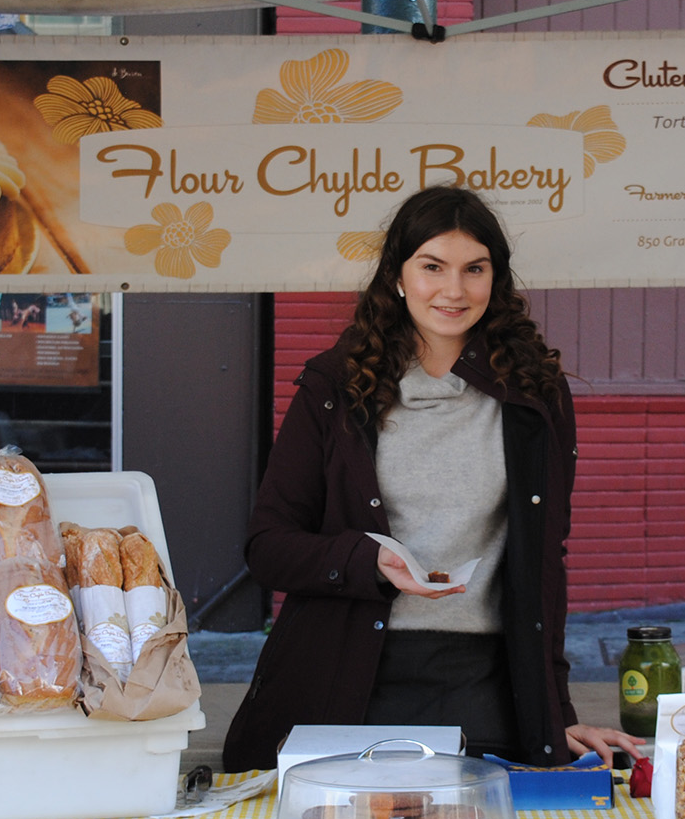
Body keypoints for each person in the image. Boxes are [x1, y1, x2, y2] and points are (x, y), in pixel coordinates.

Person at [222, 185, 642, 772]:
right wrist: (368, 561)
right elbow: (268, 548)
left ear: (496, 279)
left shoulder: (534, 394)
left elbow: (546, 562)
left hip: (486, 690)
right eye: (433, 267)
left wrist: (556, 711)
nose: (454, 290)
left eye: (475, 269)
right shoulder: (334, 388)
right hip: (349, 680)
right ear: (397, 275)